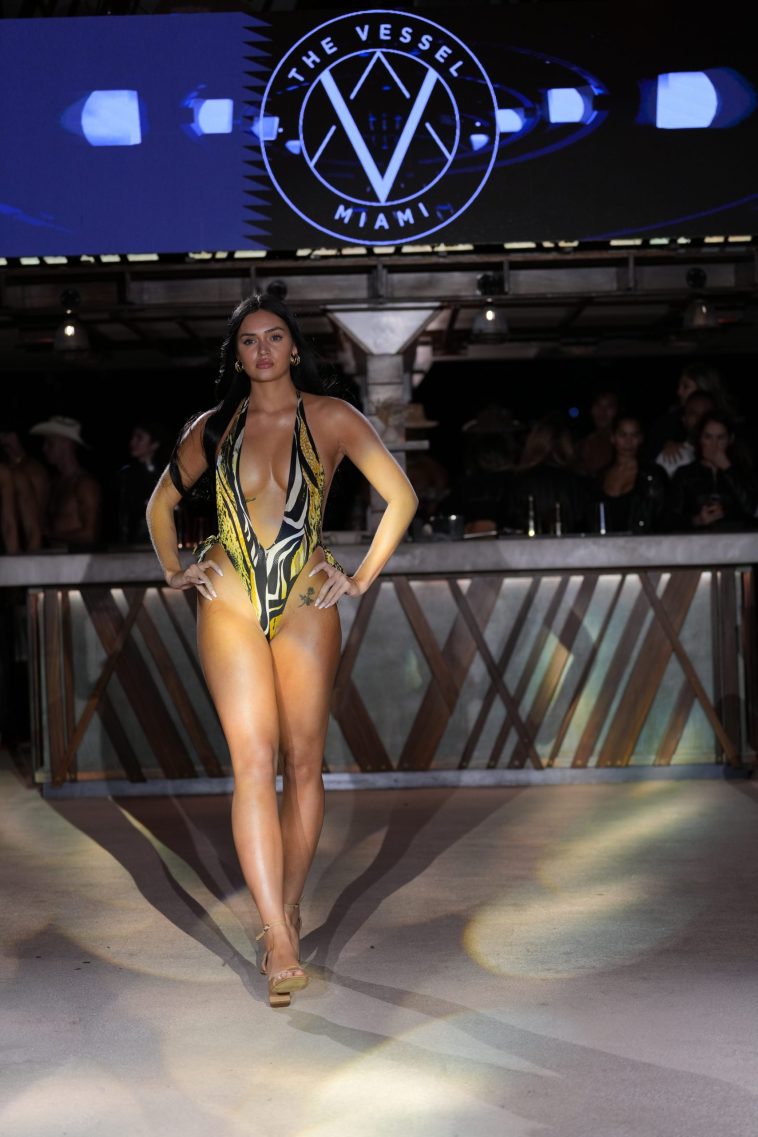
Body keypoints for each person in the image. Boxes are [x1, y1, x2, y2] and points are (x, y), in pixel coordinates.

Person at [145, 292, 417, 1008]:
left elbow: (402, 497)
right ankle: (278, 938)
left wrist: (360, 576)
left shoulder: (332, 417)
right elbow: (160, 504)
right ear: (236, 355)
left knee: (302, 764)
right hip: (229, 594)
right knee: (252, 762)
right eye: (248, 341)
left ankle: (287, 908)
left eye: (273, 337)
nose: (262, 350)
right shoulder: (214, 426)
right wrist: (174, 569)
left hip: (304, 597)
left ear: (294, 348)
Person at [665, 413, 757, 532]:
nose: (714, 445)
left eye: (720, 438)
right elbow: (669, 520)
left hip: (739, 539)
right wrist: (697, 520)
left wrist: (727, 468)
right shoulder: (685, 474)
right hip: (697, 540)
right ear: (700, 439)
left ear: (730, 440)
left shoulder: (744, 471)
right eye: (708, 437)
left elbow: (752, 509)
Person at [503, 412, 592, 535]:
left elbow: (509, 525)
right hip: (571, 545)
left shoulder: (517, 480)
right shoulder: (578, 480)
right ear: (567, 444)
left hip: (526, 545)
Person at [29, 416, 103, 550]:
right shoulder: (53, 483)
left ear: (65, 443)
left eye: (50, 443)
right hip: (55, 556)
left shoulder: (85, 484)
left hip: (76, 559)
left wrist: (50, 534)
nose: (44, 448)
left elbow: (90, 535)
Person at [593, 413, 667, 533]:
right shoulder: (600, 476)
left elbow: (662, 517)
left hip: (643, 542)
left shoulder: (653, 475)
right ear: (612, 437)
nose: (628, 442)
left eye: (634, 435)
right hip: (605, 542)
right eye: (623, 435)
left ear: (641, 439)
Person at [116, 420, 169, 545]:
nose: (132, 442)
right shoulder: (126, 475)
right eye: (133, 437)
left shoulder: (166, 474)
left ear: (154, 444)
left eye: (139, 438)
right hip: (132, 542)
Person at [0, 423, 48, 551]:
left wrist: (24, 561)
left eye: (5, 435)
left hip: (18, 546)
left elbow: (34, 527)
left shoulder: (30, 472)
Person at [653, 389, 716, 478]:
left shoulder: (729, 457)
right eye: (693, 414)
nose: (700, 419)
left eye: (705, 414)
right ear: (684, 419)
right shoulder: (674, 458)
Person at [574, 388, 620, 477]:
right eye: (598, 405)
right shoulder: (581, 443)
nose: (602, 412)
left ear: (617, 411)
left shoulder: (624, 443)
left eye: (609, 406)